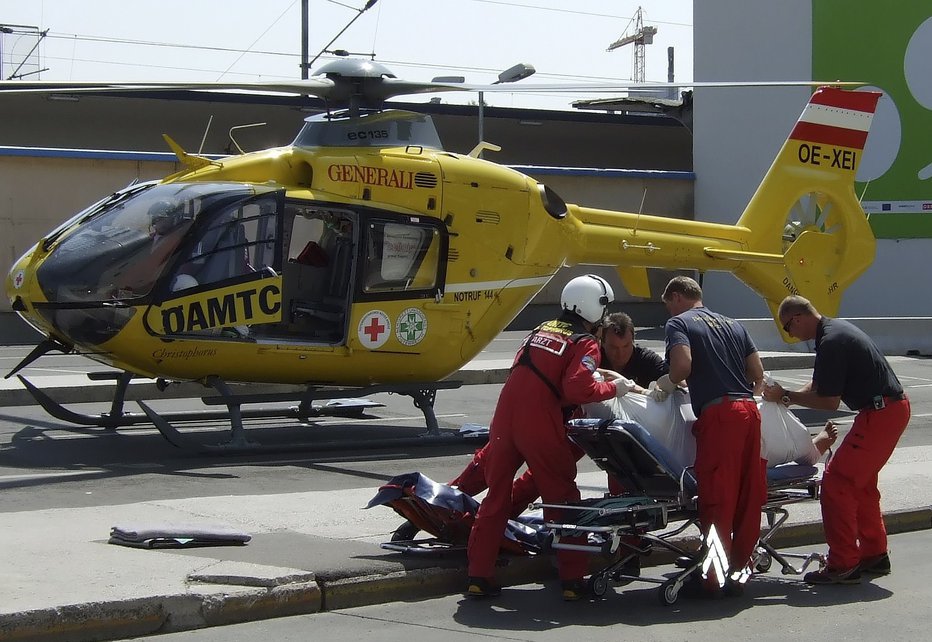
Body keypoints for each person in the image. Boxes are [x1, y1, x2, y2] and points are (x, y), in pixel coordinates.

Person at [465, 274, 637, 601]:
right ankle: (573, 580)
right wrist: (615, 387)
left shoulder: (539, 330)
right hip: (538, 420)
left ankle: (478, 574)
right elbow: (578, 389)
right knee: (563, 498)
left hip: (504, 417)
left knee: (496, 497)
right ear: (593, 307)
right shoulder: (584, 342)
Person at [763, 295, 910, 585]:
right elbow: (819, 385)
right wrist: (785, 397)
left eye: (788, 328)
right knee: (861, 485)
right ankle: (874, 554)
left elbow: (829, 401)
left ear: (798, 318)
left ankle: (843, 563)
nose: (791, 336)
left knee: (837, 482)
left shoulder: (830, 342)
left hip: (880, 413)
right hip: (888, 409)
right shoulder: (834, 331)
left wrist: (785, 397)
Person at [655, 275, 766, 597]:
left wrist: (667, 383)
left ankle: (713, 579)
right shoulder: (733, 324)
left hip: (721, 417)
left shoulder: (680, 324)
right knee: (747, 497)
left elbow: (683, 365)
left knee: (718, 498)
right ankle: (739, 572)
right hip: (749, 411)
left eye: (667, 305)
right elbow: (756, 374)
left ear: (676, 297)